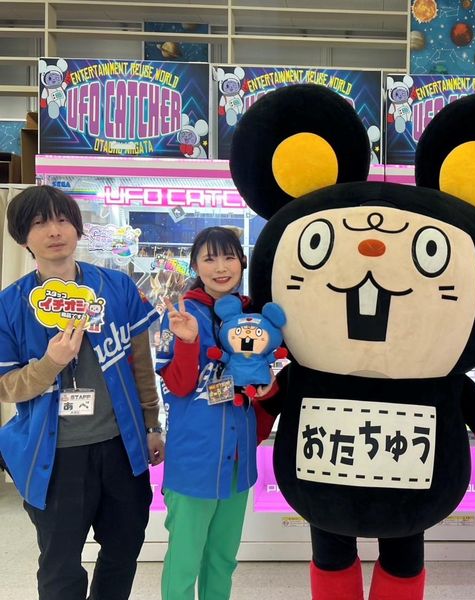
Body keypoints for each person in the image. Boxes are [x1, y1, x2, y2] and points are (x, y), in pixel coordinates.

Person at [0, 185, 163, 600]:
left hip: (121, 447)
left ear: (77, 228)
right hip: (55, 455)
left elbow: (140, 364)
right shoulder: (10, 305)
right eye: (40, 223)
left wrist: (151, 425)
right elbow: (6, 386)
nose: (54, 231)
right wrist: (51, 363)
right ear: (23, 237)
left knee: (124, 549)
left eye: (62, 220)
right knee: (60, 564)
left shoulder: (116, 287)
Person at [156, 226, 276, 600]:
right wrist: (188, 341)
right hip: (194, 458)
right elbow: (178, 386)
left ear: (242, 261)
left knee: (223, 559)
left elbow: (265, 381)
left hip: (239, 458)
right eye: (209, 259)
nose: (221, 267)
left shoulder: (254, 316)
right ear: (195, 265)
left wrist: (268, 385)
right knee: (184, 560)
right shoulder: (180, 314)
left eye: (229, 257)